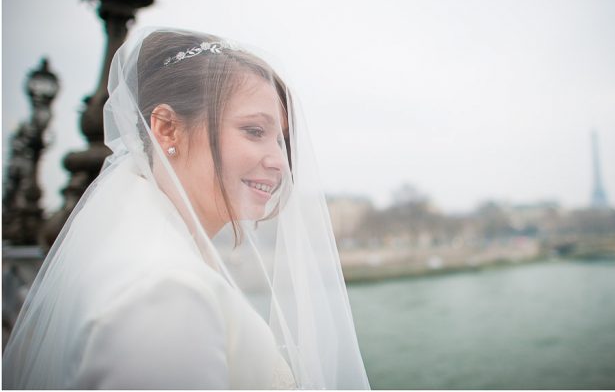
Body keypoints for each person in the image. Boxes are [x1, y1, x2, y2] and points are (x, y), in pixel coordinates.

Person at [2, 28, 370, 389]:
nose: (280, 161)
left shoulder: (139, 247)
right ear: (166, 128)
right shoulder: (165, 291)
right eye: (255, 131)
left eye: (281, 140)